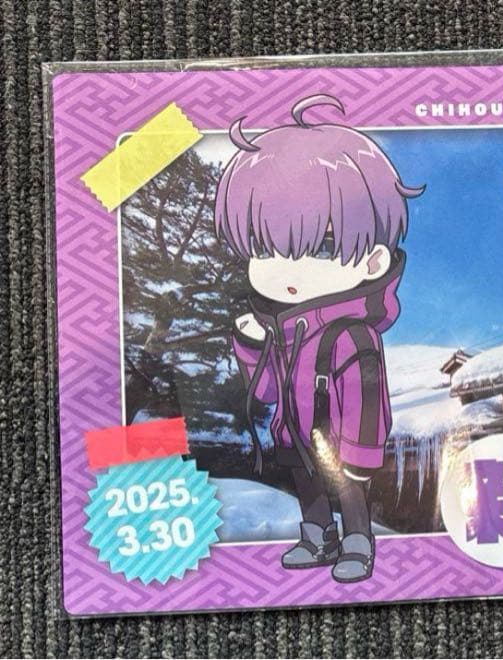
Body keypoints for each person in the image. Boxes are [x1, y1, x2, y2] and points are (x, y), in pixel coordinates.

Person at [214, 94, 423, 583]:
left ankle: (357, 542)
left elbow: (367, 397)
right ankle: (317, 537)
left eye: (323, 246)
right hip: (293, 434)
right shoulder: (282, 329)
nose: (288, 269)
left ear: (372, 260)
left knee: (348, 493)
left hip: (340, 444)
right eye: (265, 247)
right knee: (307, 489)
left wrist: (361, 455)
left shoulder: (353, 334)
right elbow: (267, 391)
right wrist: (251, 346)